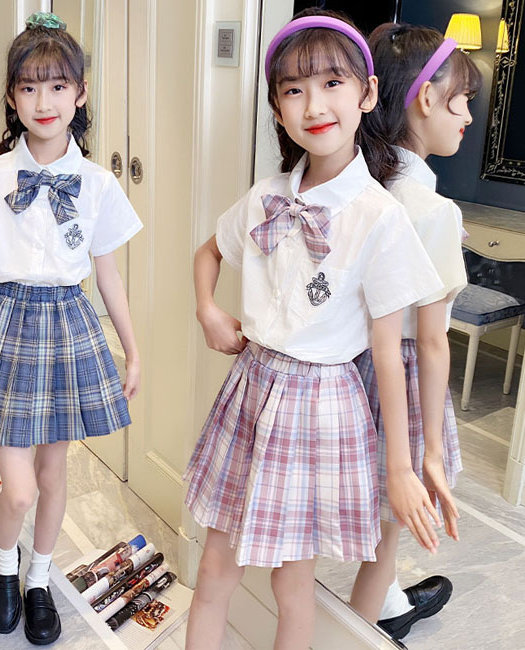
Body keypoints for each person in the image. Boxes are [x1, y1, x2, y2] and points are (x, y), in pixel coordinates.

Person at [183, 9, 447, 650]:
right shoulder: (265, 195)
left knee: (292, 586)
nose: (314, 105)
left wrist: (401, 467)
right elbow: (208, 252)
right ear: (277, 109)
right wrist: (208, 309)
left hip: (323, 405)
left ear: (367, 93)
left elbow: (388, 352)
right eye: (294, 90)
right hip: (251, 388)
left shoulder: (379, 216)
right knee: (215, 570)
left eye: (332, 84)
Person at [0, 12, 142, 645]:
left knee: (52, 475)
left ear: (81, 93)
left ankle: (39, 578)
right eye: (28, 87)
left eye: (57, 86)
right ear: (12, 97)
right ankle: (4, 564)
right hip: (6, 327)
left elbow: (109, 276)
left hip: (68, 330)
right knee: (17, 490)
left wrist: (132, 351)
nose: (43, 102)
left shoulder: (98, 185)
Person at [349, 23, 482, 640]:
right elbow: (430, 342)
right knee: (386, 530)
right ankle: (363, 626)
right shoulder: (432, 211)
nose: (468, 117)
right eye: (462, 100)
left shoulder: (356, 188)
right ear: (426, 98)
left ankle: (388, 603)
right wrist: (430, 448)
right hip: (398, 378)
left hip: (345, 370)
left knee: (351, 514)